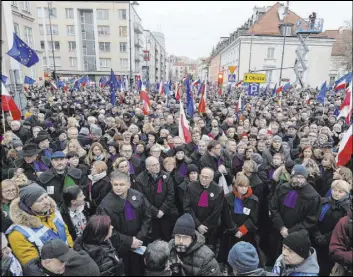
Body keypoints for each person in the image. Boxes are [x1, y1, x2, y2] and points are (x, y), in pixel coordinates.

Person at [97, 172, 151, 276]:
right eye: (115, 185)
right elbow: (106, 229)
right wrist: (128, 241)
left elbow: (147, 217)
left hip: (140, 243)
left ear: (129, 184)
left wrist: (139, 238)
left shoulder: (138, 196)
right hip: (121, 248)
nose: (118, 188)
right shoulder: (105, 204)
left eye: (121, 184)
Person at [6, 183, 73, 266]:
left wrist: (71, 254)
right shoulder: (17, 233)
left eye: (46, 197)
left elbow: (66, 235)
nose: (46, 202)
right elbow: (33, 266)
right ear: (28, 206)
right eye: (39, 200)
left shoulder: (54, 212)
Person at [269, 164, 321, 264]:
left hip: (297, 235)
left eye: (301, 177)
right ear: (291, 177)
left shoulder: (313, 196)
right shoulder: (283, 187)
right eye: (296, 176)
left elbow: (311, 220)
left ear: (305, 178)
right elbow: (273, 207)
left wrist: (290, 231)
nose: (298, 180)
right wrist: (281, 227)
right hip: (279, 230)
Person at [219, 173, 259, 274]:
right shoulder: (228, 198)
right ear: (236, 186)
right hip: (230, 233)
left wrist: (241, 231)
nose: (243, 189)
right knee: (228, 256)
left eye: (245, 186)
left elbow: (253, 219)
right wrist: (234, 230)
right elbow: (226, 216)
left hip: (246, 234)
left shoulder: (253, 200)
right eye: (241, 186)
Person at [313, 180, 351, 275]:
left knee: (326, 268)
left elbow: (341, 228)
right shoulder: (323, 202)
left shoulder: (347, 209)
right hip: (316, 239)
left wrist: (325, 238)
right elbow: (314, 219)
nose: (336, 193)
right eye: (334, 190)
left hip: (333, 243)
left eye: (340, 191)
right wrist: (317, 234)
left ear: (346, 193)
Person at [135, 156, 177, 241]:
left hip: (165, 214)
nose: (157, 166)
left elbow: (171, 194)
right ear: (147, 167)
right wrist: (155, 212)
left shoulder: (166, 176)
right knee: (154, 239)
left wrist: (162, 210)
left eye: (158, 164)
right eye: (154, 165)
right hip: (150, 216)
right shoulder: (140, 179)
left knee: (167, 237)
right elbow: (142, 198)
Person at [184, 167, 223, 252]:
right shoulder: (191, 186)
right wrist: (198, 225)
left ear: (212, 178)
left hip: (210, 228)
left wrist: (204, 226)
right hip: (193, 225)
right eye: (202, 176)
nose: (203, 179)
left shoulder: (218, 190)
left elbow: (216, 212)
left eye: (207, 177)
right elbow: (187, 207)